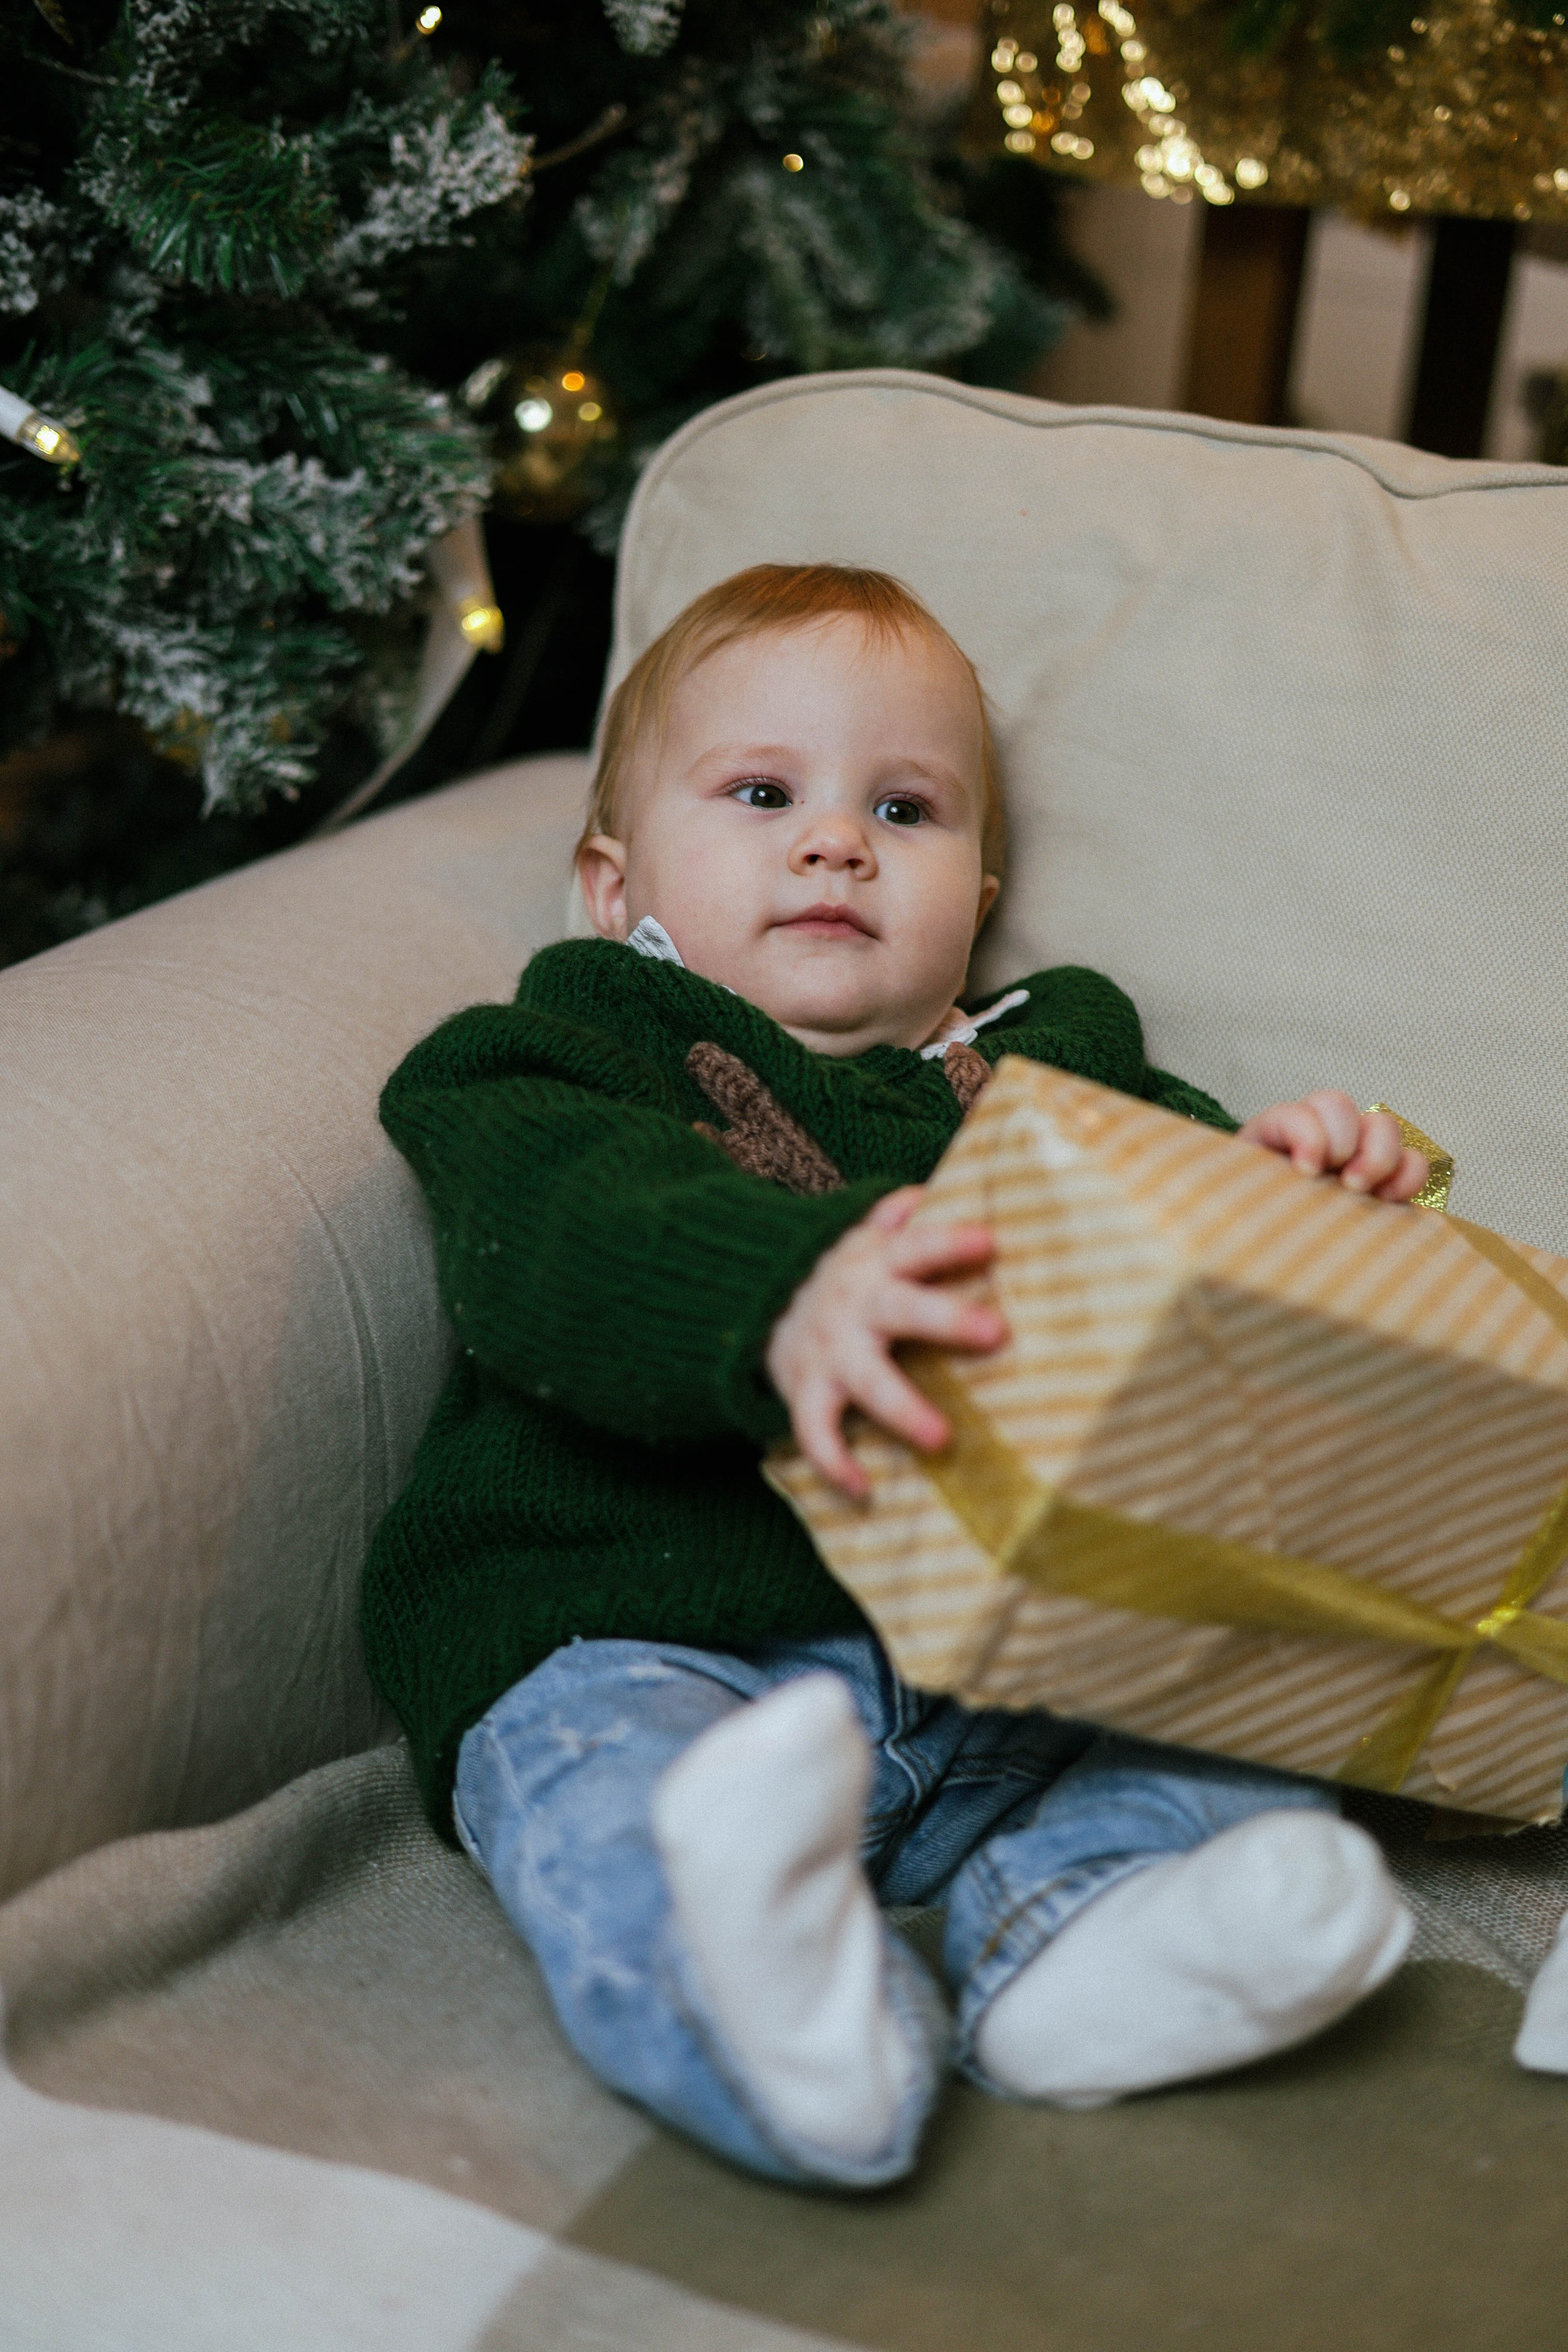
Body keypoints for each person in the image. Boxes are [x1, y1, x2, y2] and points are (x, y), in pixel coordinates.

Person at [363, 562, 1430, 2190]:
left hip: (1026, 1689)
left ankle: (1088, 1934)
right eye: (764, 794)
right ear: (612, 882)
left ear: (977, 897)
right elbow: (552, 1233)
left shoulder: (1064, 1074)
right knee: (611, 1792)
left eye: (904, 810)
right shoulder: (564, 1052)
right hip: (657, 1639)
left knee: (1266, 1668)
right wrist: (779, 1289)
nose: (836, 843)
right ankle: (783, 2019)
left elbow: (1194, 1278)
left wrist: (1291, 1204)